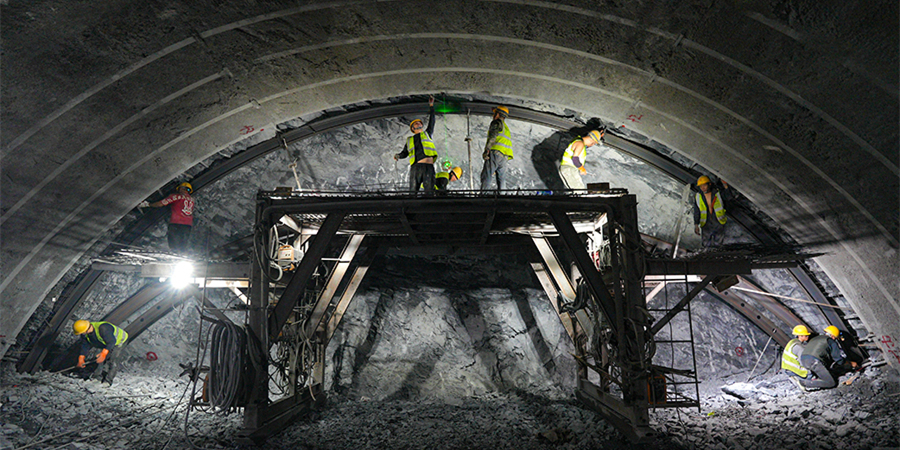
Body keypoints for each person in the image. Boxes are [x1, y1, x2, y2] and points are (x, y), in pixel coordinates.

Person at [395, 96, 437, 193]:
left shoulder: (427, 134)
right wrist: (398, 156)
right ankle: (412, 207)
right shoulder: (409, 140)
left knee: (429, 190)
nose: (418, 123)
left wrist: (431, 106)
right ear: (413, 129)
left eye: (419, 122)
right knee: (413, 191)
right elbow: (405, 153)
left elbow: (432, 121)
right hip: (416, 168)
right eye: (416, 123)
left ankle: (429, 207)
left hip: (427, 166)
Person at [140, 182, 194, 254]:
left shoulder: (176, 196)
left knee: (173, 244)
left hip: (176, 223)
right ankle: (181, 256)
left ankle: (174, 254)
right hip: (188, 225)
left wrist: (148, 204)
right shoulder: (192, 200)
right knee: (182, 245)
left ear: (180, 188)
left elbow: (160, 204)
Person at [799, 325, 855, 390]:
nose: (835, 339)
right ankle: (805, 383)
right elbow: (838, 359)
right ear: (833, 336)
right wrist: (850, 364)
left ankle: (818, 378)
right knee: (831, 383)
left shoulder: (816, 338)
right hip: (814, 361)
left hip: (804, 359)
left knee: (828, 371)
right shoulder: (830, 341)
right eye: (835, 338)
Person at [692, 175, 730, 248]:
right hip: (706, 223)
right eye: (701, 186)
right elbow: (697, 211)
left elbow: (728, 197)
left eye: (704, 185)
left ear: (709, 184)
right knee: (706, 245)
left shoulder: (717, 193)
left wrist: (725, 185)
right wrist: (696, 224)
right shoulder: (698, 196)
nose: (702, 188)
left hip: (718, 221)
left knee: (718, 245)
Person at [480, 106, 513, 190]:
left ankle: (483, 196)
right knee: (501, 179)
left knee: (487, 175)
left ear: (497, 114)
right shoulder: (506, 128)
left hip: (495, 154)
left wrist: (486, 151)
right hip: (504, 157)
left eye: (494, 113)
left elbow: (492, 137)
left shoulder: (496, 123)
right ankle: (502, 197)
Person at [782, 325, 812, 391]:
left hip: (786, 367)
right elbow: (803, 362)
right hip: (791, 369)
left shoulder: (793, 342)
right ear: (800, 336)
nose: (807, 336)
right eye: (806, 335)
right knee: (810, 373)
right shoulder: (799, 347)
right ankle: (800, 382)